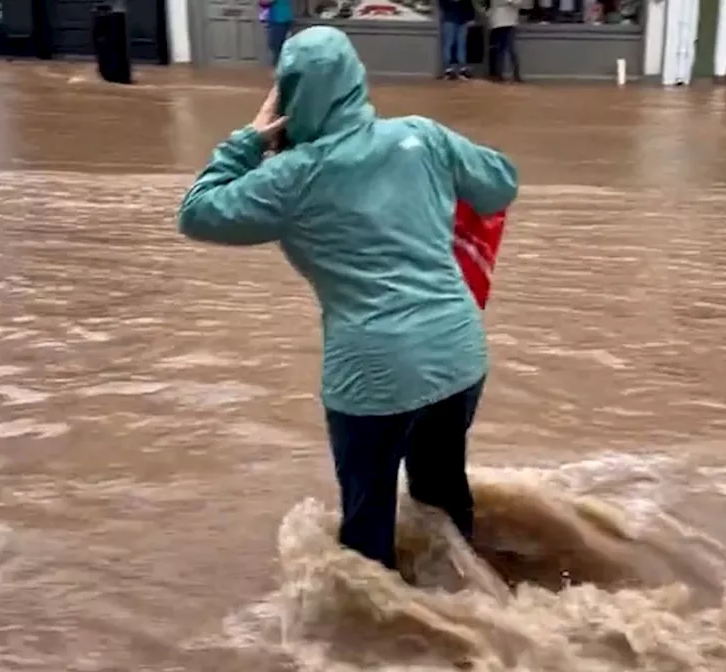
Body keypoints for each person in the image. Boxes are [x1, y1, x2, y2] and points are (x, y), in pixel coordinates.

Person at [177, 26, 519, 572]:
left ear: (287, 97)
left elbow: (197, 212)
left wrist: (249, 140)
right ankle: (476, 603)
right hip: (458, 354)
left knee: (366, 527)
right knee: (442, 494)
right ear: (357, 81)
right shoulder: (423, 137)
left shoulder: (290, 178)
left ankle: (379, 641)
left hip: (373, 376)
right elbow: (500, 183)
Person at [487, 0, 525, 82]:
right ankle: (499, 75)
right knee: (500, 50)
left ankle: (516, 75)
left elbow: (519, 3)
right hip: (497, 22)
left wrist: (509, 2)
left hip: (510, 22)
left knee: (512, 50)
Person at [440, 0, 476, 79]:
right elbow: (443, 4)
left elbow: (469, 4)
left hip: (461, 20)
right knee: (449, 44)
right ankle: (448, 70)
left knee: (461, 44)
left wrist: (471, 17)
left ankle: (462, 69)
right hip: (450, 19)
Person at [259, 0, 293, 67]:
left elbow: (265, 2)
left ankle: (278, 69)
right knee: (280, 46)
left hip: (279, 19)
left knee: (276, 46)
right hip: (284, 16)